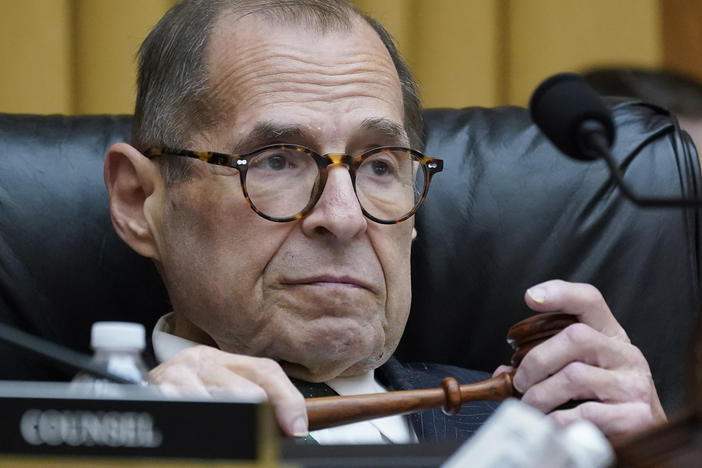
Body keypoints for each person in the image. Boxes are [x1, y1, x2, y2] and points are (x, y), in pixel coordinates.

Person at [103, 0, 666, 444]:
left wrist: (656, 457)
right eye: (277, 160)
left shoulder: (545, 429)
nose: (344, 218)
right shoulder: (65, 435)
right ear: (139, 201)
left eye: (378, 166)